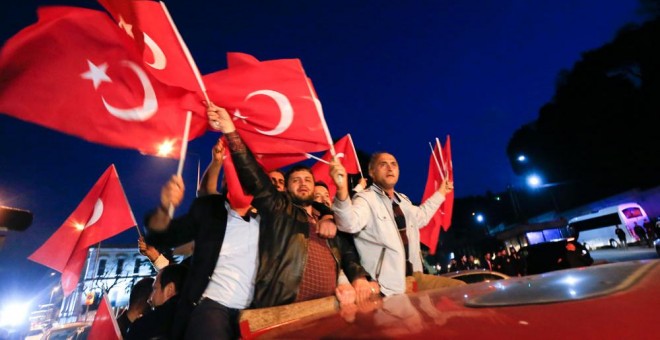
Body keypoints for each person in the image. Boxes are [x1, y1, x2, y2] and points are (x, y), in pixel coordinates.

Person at [208, 102, 379, 308]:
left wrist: (359, 277)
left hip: (328, 309)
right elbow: (253, 177)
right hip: (284, 310)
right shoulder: (280, 211)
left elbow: (348, 254)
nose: (303, 183)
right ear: (287, 189)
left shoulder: (327, 220)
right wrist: (230, 131)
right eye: (296, 180)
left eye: (307, 180)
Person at [144, 139, 260, 339]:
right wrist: (165, 207)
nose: (238, 181)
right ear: (225, 182)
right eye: (232, 176)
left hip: (255, 311)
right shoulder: (209, 210)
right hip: (211, 307)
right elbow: (163, 237)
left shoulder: (269, 217)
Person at [329, 151, 464, 296]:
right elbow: (348, 223)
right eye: (383, 164)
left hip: (414, 278)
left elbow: (422, 216)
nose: (390, 168)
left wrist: (441, 192)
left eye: (393, 164)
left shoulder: (403, 201)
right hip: (387, 287)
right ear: (371, 172)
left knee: (461, 289)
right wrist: (342, 189)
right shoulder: (365, 199)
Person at [126, 264, 188, 339]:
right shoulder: (197, 321)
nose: (150, 298)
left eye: (155, 289)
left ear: (169, 290)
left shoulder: (145, 326)